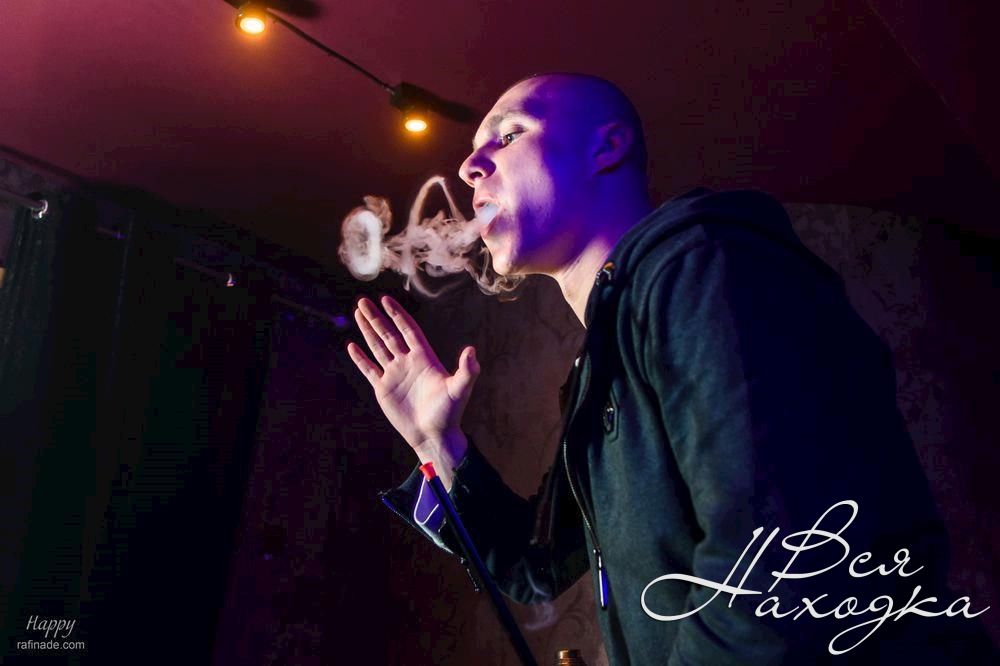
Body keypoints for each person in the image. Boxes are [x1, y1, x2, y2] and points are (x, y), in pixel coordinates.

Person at [347, 73, 995, 664]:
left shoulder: (708, 265)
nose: (468, 168)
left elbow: (784, 572)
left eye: (509, 135)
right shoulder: (605, 358)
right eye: (473, 152)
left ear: (606, 147)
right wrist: (438, 441)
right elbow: (534, 568)